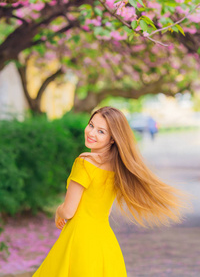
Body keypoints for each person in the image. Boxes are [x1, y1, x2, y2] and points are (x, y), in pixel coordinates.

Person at [32, 106, 189, 277]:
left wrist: (58, 211)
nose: (91, 133)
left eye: (101, 131)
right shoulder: (118, 168)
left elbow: (68, 211)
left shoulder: (84, 163)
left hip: (80, 241)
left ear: (112, 138)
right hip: (105, 244)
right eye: (91, 125)